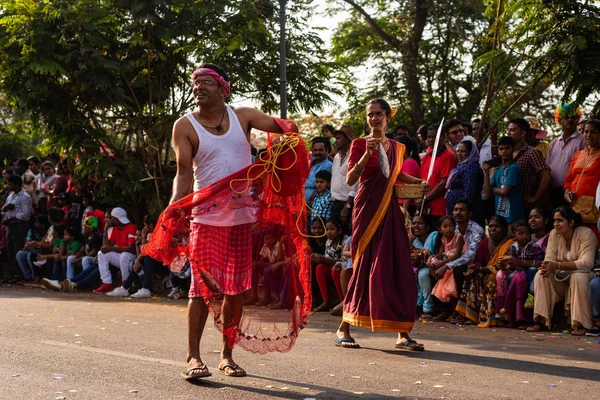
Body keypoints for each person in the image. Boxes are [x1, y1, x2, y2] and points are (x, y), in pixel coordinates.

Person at [168, 63, 294, 380]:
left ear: (223, 88)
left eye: (206, 82)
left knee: (235, 291)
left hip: (241, 219)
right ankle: (193, 358)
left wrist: (279, 148)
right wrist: (173, 210)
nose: (199, 88)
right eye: (196, 83)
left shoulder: (243, 116)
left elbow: (285, 129)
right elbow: (183, 175)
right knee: (200, 290)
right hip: (205, 219)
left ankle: (227, 356)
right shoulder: (184, 126)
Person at [336, 98, 427, 351]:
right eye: (370, 115)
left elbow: (396, 174)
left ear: (388, 117)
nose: (374, 118)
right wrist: (367, 153)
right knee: (366, 266)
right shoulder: (359, 144)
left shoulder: (397, 147)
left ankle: (402, 333)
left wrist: (418, 182)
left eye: (379, 114)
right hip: (367, 208)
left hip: (390, 209)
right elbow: (352, 177)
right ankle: (344, 326)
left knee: (396, 266)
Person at [529, 206, 597, 335]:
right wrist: (547, 266)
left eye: (560, 220)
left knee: (578, 277)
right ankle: (540, 320)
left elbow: (587, 263)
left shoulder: (586, 234)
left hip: (584, 277)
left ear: (571, 222)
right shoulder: (554, 234)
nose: (556, 224)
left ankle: (582, 324)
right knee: (541, 275)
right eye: (554, 221)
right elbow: (549, 259)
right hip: (562, 279)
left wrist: (558, 265)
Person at [455, 215, 512, 326]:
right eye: (490, 226)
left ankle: (492, 317)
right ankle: (472, 315)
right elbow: (479, 262)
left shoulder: (509, 243)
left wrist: (481, 269)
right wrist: (474, 269)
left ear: (504, 229)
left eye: (497, 226)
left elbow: (503, 265)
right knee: (472, 276)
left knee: (491, 278)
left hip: (503, 273)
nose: (493, 229)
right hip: (486, 272)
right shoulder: (484, 243)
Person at [496, 220, 544, 328]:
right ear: (514, 236)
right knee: (510, 277)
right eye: (520, 234)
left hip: (530, 272)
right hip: (518, 272)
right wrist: (506, 265)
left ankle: (531, 295)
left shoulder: (534, 247)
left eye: (527, 233)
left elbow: (540, 262)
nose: (524, 236)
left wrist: (523, 263)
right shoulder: (513, 247)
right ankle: (507, 303)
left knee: (531, 271)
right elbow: (511, 264)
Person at [563, 119, 600, 241]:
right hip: (575, 206)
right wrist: (567, 192)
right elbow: (569, 179)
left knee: (593, 240)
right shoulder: (578, 155)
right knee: (576, 240)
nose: (588, 135)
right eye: (586, 132)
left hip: (594, 208)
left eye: (593, 132)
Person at [545, 104, 586, 209]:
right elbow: (548, 167)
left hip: (571, 193)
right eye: (566, 117)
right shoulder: (554, 142)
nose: (570, 120)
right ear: (559, 120)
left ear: (578, 120)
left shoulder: (582, 140)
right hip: (553, 191)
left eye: (573, 117)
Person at [507, 118, 551, 214]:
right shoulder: (507, 154)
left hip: (526, 208)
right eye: (508, 130)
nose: (509, 133)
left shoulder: (532, 153)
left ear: (522, 133)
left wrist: (535, 197)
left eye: (512, 130)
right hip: (509, 206)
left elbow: (546, 176)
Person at [92, 207, 137, 294]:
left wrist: (111, 249)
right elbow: (107, 247)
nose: (108, 220)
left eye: (110, 218)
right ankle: (106, 283)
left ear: (116, 219)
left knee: (124, 255)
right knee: (101, 253)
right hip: (121, 256)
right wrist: (105, 230)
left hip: (131, 256)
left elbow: (130, 248)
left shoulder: (131, 227)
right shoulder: (115, 229)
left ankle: (125, 284)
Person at [421, 125, 457, 228]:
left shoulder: (448, 156)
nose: (432, 140)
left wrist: (427, 198)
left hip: (441, 207)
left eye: (435, 137)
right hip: (426, 207)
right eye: (429, 137)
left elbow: (443, 183)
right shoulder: (427, 157)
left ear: (443, 137)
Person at [484, 136, 524, 223]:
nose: (504, 151)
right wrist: (486, 173)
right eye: (501, 149)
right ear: (498, 151)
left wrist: (492, 190)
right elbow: (487, 193)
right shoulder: (498, 170)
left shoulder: (513, 168)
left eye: (507, 148)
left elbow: (505, 192)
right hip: (500, 218)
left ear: (513, 150)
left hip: (513, 217)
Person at [445, 139, 484, 226]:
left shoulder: (471, 169)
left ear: (470, 153)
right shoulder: (461, 166)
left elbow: (469, 193)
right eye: (458, 151)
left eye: (463, 151)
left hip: (467, 215)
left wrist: (461, 210)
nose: (459, 154)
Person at [2, 175, 33, 283]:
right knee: (10, 248)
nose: (9, 186)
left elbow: (25, 214)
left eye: (11, 184)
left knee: (18, 248)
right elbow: (4, 208)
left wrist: (13, 218)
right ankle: (13, 273)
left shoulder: (25, 197)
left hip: (19, 225)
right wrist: (6, 210)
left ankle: (20, 274)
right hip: (9, 225)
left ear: (17, 184)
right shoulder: (10, 195)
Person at [313, 219, 347, 312]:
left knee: (336, 269)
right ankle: (326, 301)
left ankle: (342, 301)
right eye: (327, 230)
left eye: (332, 229)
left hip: (345, 269)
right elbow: (328, 257)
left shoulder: (346, 240)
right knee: (320, 268)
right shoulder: (328, 242)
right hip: (334, 267)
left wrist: (324, 259)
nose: (328, 232)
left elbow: (344, 261)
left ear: (339, 230)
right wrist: (319, 258)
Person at [409, 215, 437, 320]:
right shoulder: (413, 240)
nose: (416, 226)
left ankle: (427, 309)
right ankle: (414, 306)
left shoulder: (434, 236)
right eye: (414, 223)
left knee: (423, 274)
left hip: (433, 266)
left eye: (420, 223)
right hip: (416, 268)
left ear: (427, 226)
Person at [330, 126, 357, 233]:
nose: (335, 141)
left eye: (338, 138)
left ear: (346, 139)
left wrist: (347, 206)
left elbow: (355, 184)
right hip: (336, 203)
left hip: (348, 203)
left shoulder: (354, 156)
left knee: (348, 235)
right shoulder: (336, 157)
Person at [305, 137, 333, 203]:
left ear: (327, 150)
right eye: (315, 150)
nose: (317, 152)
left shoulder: (328, 165)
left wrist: (302, 183)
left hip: (319, 204)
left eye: (320, 150)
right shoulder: (313, 166)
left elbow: (313, 182)